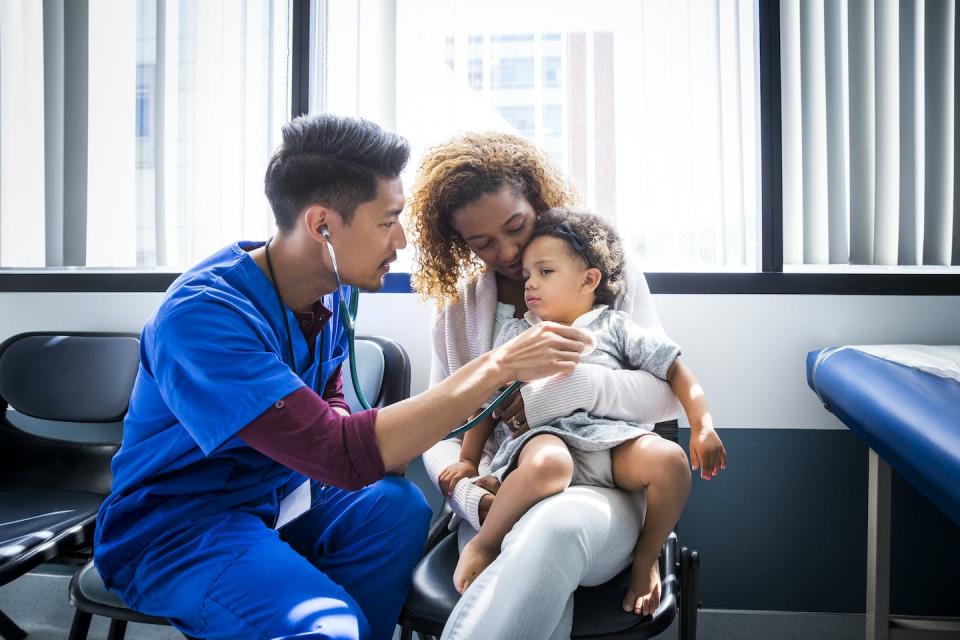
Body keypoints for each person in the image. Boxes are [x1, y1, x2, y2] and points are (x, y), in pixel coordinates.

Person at [93, 115, 591, 640]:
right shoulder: (202, 319)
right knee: (330, 627)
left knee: (396, 508)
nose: (401, 240)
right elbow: (339, 455)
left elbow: (329, 395)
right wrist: (498, 366)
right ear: (322, 226)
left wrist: (340, 423)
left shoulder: (333, 285)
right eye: (388, 221)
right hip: (181, 526)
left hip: (280, 495)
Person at [409, 132, 697, 640]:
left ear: (536, 200)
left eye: (515, 226)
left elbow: (665, 394)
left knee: (558, 528)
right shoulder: (458, 311)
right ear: (460, 244)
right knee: (540, 566)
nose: (507, 251)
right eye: (482, 243)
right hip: (502, 493)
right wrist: (472, 498)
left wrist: (571, 388)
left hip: (603, 485)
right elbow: (443, 429)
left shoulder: (606, 277)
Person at [448, 208, 728, 614]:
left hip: (610, 445)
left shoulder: (615, 327)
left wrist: (703, 425)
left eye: (545, 272)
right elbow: (489, 403)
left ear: (589, 279)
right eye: (527, 276)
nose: (530, 284)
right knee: (550, 464)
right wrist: (468, 461)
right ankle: (485, 543)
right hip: (544, 442)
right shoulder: (519, 333)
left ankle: (646, 559)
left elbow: (676, 370)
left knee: (670, 461)